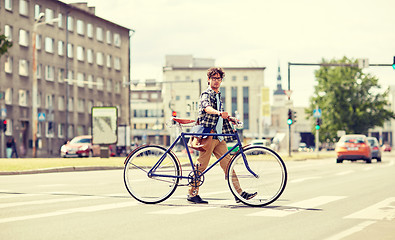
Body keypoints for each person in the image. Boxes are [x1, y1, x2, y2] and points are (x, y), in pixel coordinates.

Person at [187, 67, 257, 204]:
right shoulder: (206, 94)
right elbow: (206, 107)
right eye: (214, 78)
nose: (216, 81)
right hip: (208, 136)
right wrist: (219, 113)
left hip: (218, 137)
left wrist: (229, 118)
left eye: (218, 79)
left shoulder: (218, 95)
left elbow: (220, 115)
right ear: (208, 80)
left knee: (229, 165)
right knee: (201, 166)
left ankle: (239, 194)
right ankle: (191, 193)